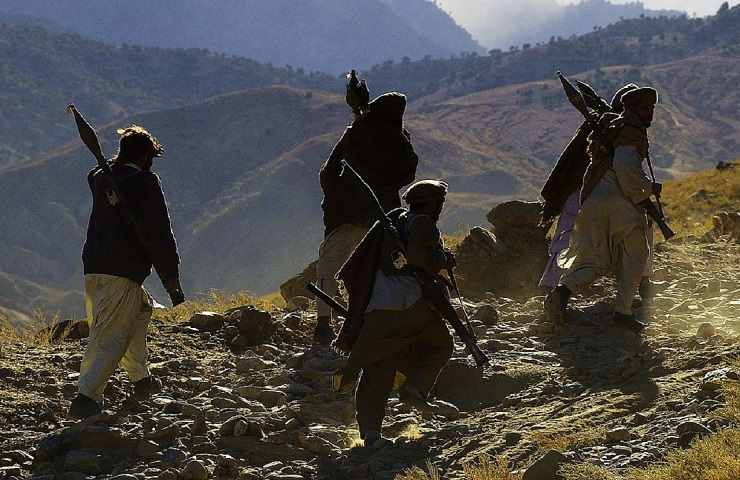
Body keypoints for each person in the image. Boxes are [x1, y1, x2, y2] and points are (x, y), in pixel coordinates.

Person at [69, 125, 184, 419]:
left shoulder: (102, 178)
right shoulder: (144, 182)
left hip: (94, 265)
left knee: (140, 311)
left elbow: (94, 175)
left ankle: (141, 378)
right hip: (123, 269)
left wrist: (113, 169)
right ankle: (86, 397)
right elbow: (160, 233)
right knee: (110, 335)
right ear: (145, 157)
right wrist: (171, 278)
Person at [334, 180, 455, 448]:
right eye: (440, 203)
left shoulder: (393, 222)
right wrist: (443, 260)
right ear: (433, 204)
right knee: (442, 344)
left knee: (378, 364)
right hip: (411, 305)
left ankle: (370, 434)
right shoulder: (422, 223)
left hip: (378, 308)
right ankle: (415, 388)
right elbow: (419, 258)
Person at [545, 87, 661, 332]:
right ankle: (623, 311)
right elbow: (625, 168)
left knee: (595, 259)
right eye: (646, 108)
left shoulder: (610, 127)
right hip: (620, 202)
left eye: (651, 108)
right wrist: (649, 188)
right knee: (637, 254)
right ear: (634, 109)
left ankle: (561, 294)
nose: (650, 113)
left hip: (592, 202)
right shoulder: (629, 131)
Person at [315, 91, 418, 345]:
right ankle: (376, 322)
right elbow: (408, 173)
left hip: (346, 218)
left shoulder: (356, 133)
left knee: (329, 267)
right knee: (377, 271)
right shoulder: (397, 140)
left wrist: (339, 199)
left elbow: (328, 172)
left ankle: (324, 325)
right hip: (381, 220)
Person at [539, 83, 638, 289]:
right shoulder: (606, 128)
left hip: (599, 195)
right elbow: (576, 162)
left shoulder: (615, 128)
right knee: (568, 239)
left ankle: (562, 286)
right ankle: (553, 287)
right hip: (582, 192)